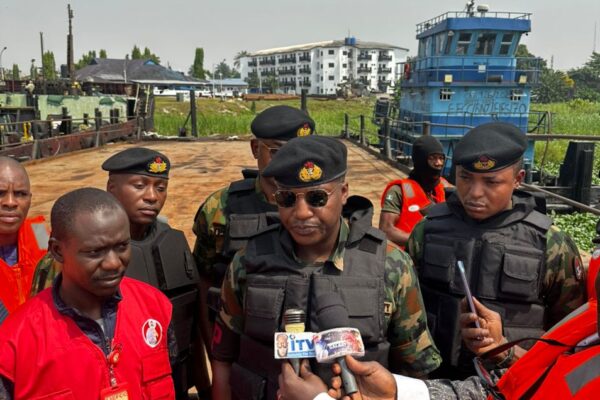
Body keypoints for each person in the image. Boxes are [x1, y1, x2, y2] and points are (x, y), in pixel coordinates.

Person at [212, 135, 441, 400]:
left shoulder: (390, 265)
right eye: (287, 198)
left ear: (343, 193)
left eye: (317, 198)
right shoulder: (248, 262)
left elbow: (417, 368)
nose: (301, 212)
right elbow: (223, 356)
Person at [406, 122, 587, 379]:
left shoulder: (551, 245)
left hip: (516, 380)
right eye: (465, 178)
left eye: (491, 182)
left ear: (518, 179)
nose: (475, 193)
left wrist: (507, 352)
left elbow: (570, 337)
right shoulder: (427, 231)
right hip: (438, 379)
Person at [30, 147, 206, 398]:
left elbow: (191, 323)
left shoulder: (176, 243)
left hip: (170, 381)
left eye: (160, 187)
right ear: (111, 188)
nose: (151, 196)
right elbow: (43, 332)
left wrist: (205, 385)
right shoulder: (66, 259)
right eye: (139, 185)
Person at [0, 188, 176, 399]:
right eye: (95, 252)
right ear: (57, 251)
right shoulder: (15, 343)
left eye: (122, 246)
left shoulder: (155, 308)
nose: (113, 263)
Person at [192, 105, 315, 340]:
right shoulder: (220, 206)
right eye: (279, 152)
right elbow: (204, 278)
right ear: (256, 148)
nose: (290, 163)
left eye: (300, 153)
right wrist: (214, 347)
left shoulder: (322, 208)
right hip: (241, 339)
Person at [379, 135, 450, 248]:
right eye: (432, 158)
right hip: (407, 259)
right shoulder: (398, 191)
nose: (438, 163)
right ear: (420, 160)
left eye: (441, 158)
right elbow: (386, 230)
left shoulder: (444, 187)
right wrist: (422, 241)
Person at [0, 156, 48, 315]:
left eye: (20, 194)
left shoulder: (41, 234)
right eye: (0, 193)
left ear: (30, 199)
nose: (10, 202)